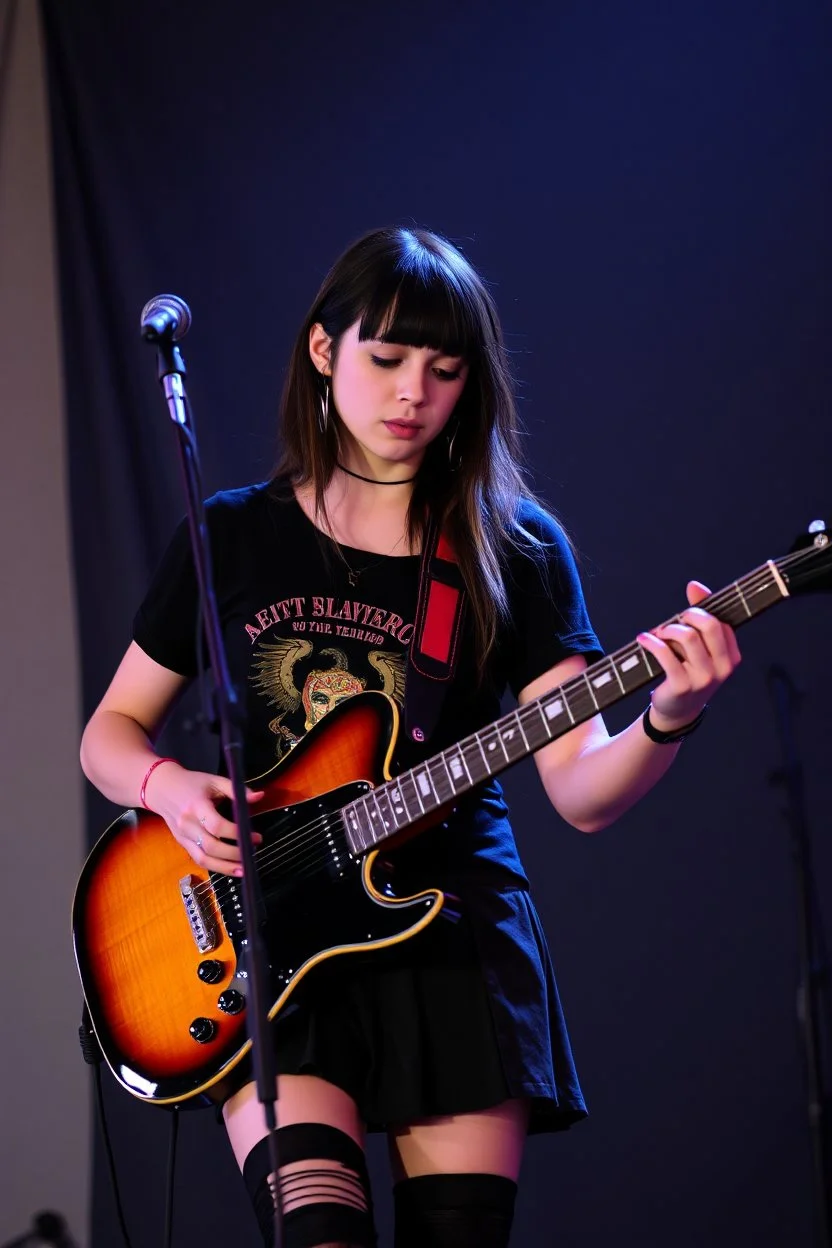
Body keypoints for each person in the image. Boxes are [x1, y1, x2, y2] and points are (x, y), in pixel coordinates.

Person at [79, 225, 741, 1248]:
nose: (411, 395)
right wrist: (166, 786)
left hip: (452, 938)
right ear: (322, 351)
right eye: (385, 359)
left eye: (443, 369)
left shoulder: (512, 546)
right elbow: (110, 732)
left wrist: (670, 712)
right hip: (269, 939)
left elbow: (578, 788)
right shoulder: (233, 533)